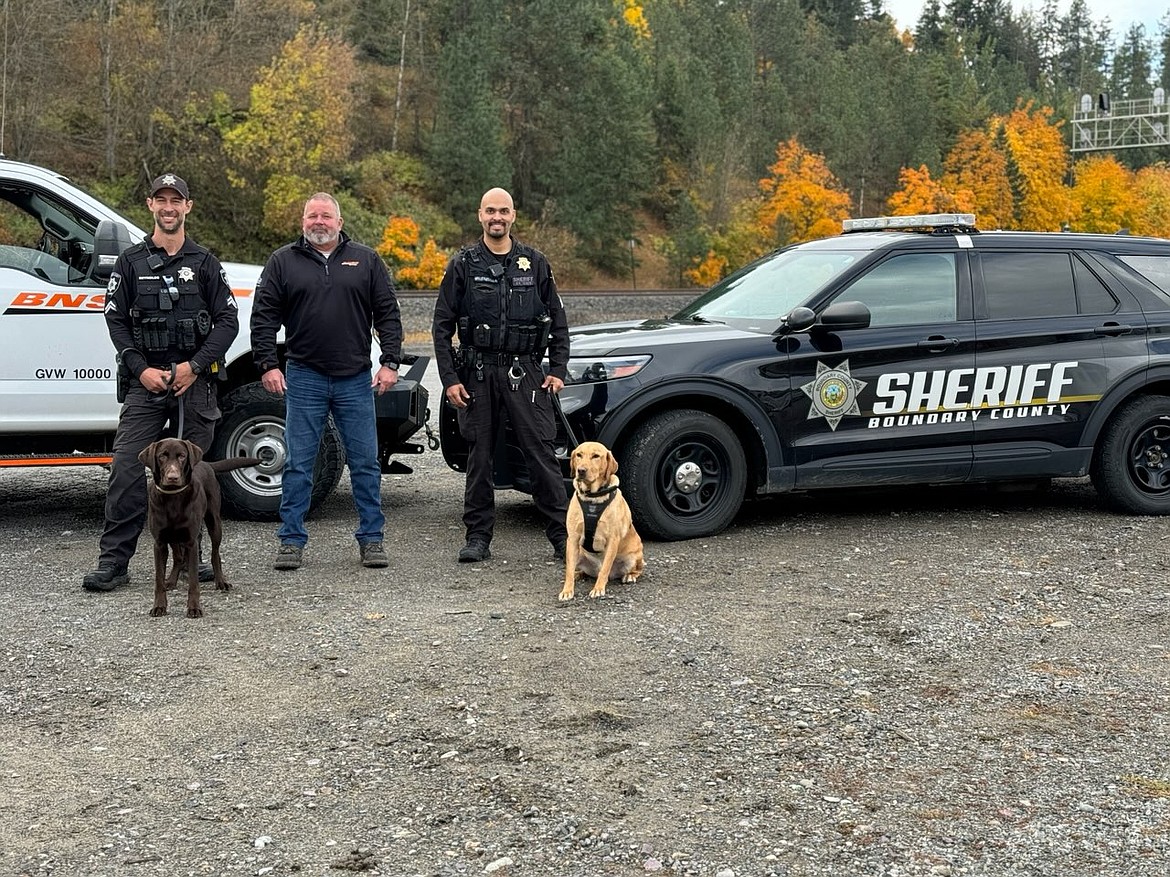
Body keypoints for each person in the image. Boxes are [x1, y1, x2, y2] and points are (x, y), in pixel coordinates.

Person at [82, 173, 240, 592]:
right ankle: (114, 561)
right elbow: (115, 320)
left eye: (177, 201)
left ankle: (192, 557)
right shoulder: (131, 262)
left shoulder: (206, 264)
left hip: (195, 383)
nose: (169, 208)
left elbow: (228, 321)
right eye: (162, 200)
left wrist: (195, 364)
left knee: (194, 473)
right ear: (150, 204)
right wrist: (139, 368)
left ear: (188, 207)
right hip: (146, 382)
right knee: (125, 470)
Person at [250, 192, 403, 571]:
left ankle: (372, 539)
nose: (319, 222)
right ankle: (290, 540)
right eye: (312, 216)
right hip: (304, 377)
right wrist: (268, 364)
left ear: (339, 221)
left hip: (355, 379)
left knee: (365, 462)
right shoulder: (282, 262)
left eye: (326, 216)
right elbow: (263, 317)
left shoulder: (366, 260)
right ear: (303, 221)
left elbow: (388, 313)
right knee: (299, 463)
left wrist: (390, 362)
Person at [432, 187, 570, 563]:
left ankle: (563, 537)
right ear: (480, 215)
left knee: (541, 453)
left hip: (524, 372)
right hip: (477, 371)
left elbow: (558, 319)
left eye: (504, 211)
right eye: (491, 211)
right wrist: (450, 380)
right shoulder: (463, 264)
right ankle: (477, 537)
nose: (497, 218)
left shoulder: (534, 262)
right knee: (480, 458)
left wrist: (557, 368)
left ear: (513, 216)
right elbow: (441, 326)